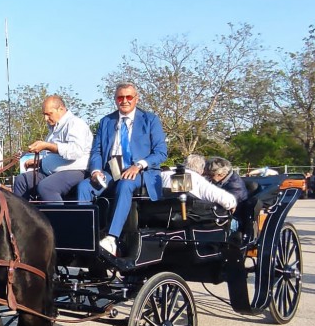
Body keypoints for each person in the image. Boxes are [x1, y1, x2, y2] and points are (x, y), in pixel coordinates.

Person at [77, 82, 168, 256]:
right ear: (115, 100)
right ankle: (85, 235)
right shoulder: (106, 121)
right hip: (113, 169)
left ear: (136, 98)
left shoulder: (150, 120)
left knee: (126, 183)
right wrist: (96, 170)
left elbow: (161, 152)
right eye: (120, 97)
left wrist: (139, 165)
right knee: (84, 186)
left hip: (142, 172)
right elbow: (97, 151)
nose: (124, 101)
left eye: (128, 97)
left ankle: (111, 239)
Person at [13, 94, 92, 202]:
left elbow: (75, 151)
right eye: (44, 115)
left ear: (61, 109)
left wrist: (47, 146)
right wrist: (40, 163)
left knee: (47, 187)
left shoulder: (75, 123)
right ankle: (20, 218)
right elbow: (55, 156)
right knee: (21, 180)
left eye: (49, 114)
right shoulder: (53, 128)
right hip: (51, 172)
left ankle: (58, 219)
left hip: (77, 171)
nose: (46, 118)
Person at [161, 155, 242, 212]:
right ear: (202, 169)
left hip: (162, 216)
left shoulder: (163, 174)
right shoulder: (197, 179)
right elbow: (227, 200)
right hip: (188, 219)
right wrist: (232, 204)